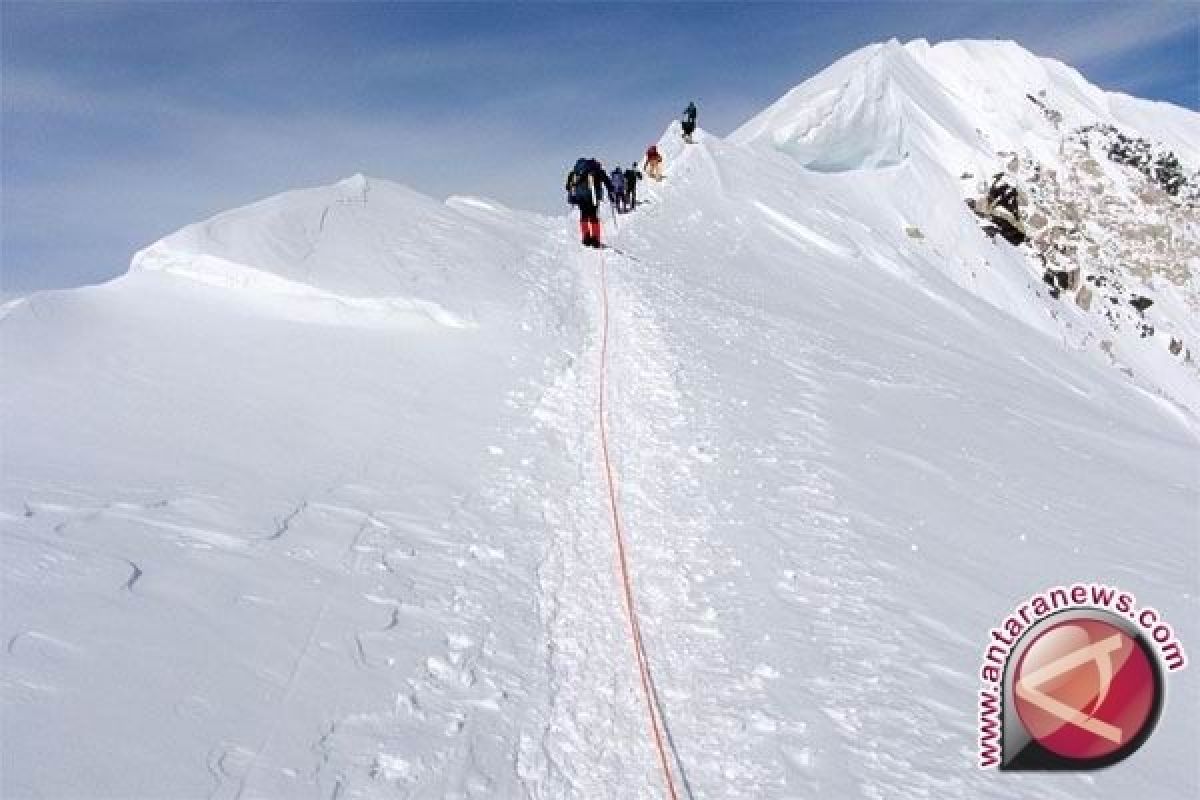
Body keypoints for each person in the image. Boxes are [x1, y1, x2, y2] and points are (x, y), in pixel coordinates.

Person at [566, 157, 615, 247]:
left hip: (580, 197)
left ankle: (586, 237)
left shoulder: (575, 171)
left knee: (584, 215)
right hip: (593, 197)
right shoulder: (597, 170)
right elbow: (607, 181)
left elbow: (567, 186)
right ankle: (596, 239)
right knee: (593, 216)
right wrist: (611, 191)